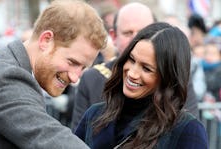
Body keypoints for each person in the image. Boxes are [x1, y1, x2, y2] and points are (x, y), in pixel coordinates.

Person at [0, 0, 107, 148]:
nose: (75, 77)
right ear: (46, 40)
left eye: (83, 68)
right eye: (72, 62)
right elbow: (50, 137)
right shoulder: (5, 78)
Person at [75, 22, 208, 149]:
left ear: (167, 77)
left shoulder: (187, 130)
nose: (132, 73)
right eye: (131, 59)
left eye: (146, 68)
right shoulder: (95, 115)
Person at [71, 2, 199, 130]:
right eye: (128, 33)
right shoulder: (93, 78)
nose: (137, 39)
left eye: (146, 33)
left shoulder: (176, 79)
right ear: (114, 36)